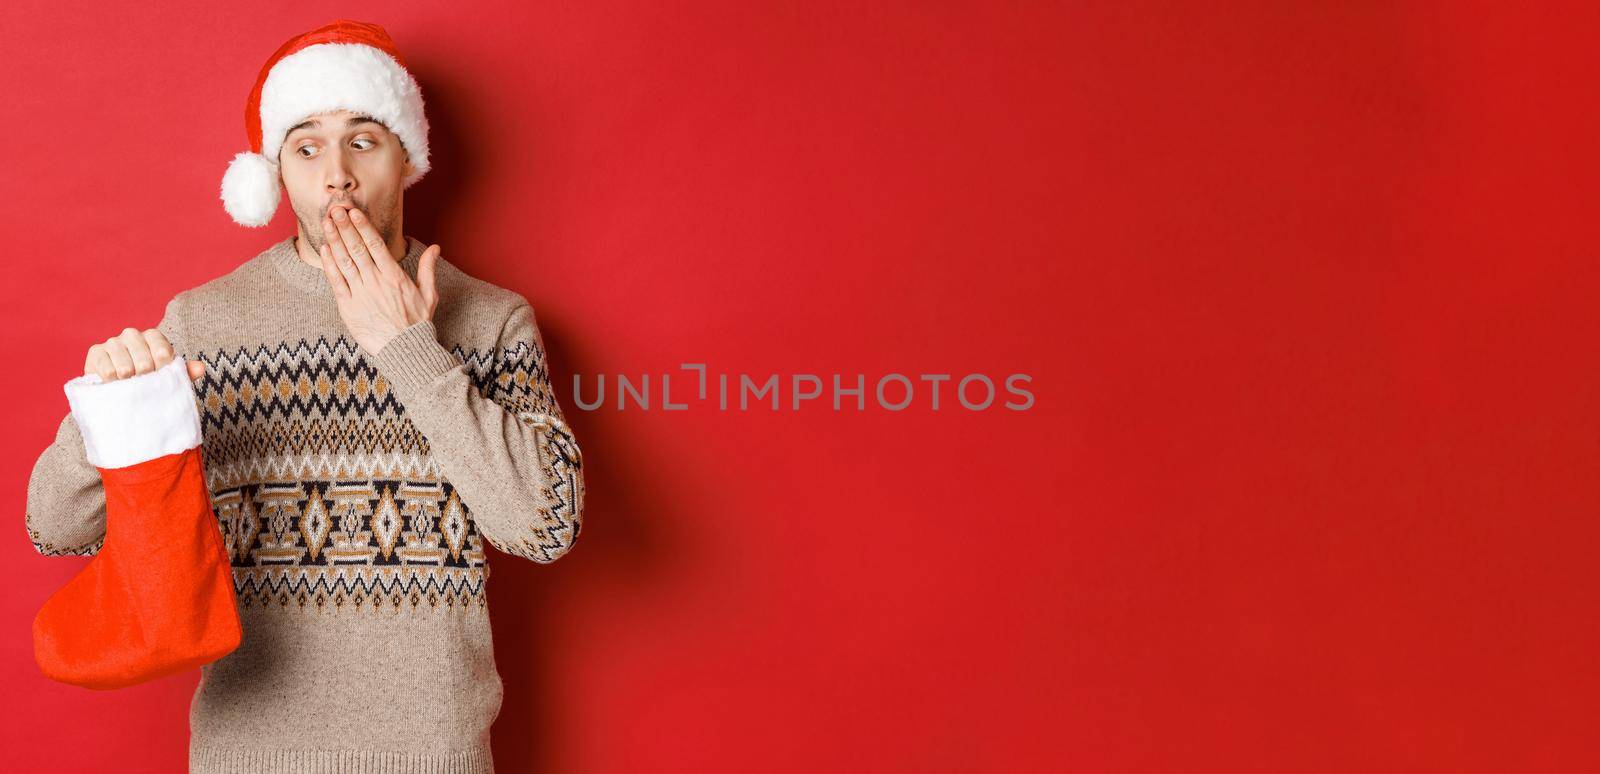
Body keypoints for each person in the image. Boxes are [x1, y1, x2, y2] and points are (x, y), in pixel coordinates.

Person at [23, 19, 585, 773]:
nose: (338, 175)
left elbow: (544, 526)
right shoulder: (204, 321)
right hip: (246, 752)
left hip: (432, 753)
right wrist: (107, 418)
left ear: (406, 158)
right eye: (307, 145)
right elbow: (53, 528)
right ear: (277, 173)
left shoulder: (489, 319)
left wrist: (408, 349)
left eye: (364, 139)